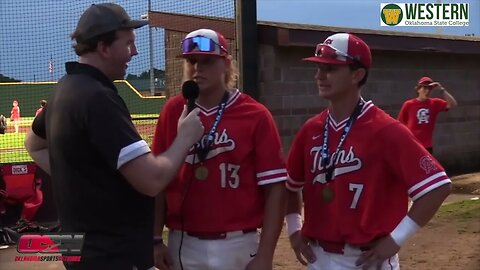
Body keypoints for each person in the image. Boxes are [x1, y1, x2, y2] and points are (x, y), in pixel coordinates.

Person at [24, 3, 204, 270]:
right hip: (113, 255)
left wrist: (80, 179)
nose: (135, 51)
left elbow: (33, 144)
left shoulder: (65, 88)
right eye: (129, 43)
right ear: (104, 48)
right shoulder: (98, 98)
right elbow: (152, 180)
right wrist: (185, 137)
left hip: (81, 252)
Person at [285, 33, 452, 270]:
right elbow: (290, 187)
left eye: (331, 68)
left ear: (357, 74)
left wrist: (396, 240)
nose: (319, 75)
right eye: (319, 67)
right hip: (318, 257)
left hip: (366, 260)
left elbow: (438, 187)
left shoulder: (386, 130)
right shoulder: (311, 129)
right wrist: (293, 229)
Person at [151, 29, 287, 270]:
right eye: (191, 61)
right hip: (182, 242)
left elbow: (275, 188)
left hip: (237, 244)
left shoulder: (255, 115)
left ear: (226, 63)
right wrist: (154, 239)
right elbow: (157, 184)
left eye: (207, 61)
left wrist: (266, 255)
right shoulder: (173, 111)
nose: (197, 68)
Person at [398, 76, 457, 154]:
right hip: (412, 145)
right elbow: (400, 124)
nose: (427, 91)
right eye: (425, 88)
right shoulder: (408, 104)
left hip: (427, 146)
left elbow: (452, 104)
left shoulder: (434, 103)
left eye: (429, 88)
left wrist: (441, 89)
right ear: (418, 89)